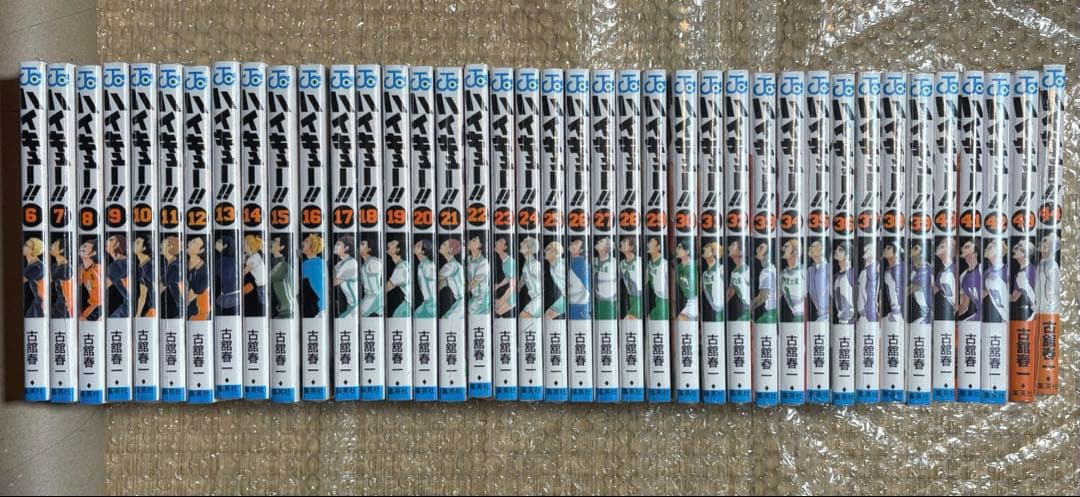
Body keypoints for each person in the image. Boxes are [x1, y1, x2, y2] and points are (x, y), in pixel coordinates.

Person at [300, 234, 326, 318]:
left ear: (312, 247)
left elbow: (302, 284)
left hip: (314, 307)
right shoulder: (322, 262)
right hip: (322, 305)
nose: (302, 243)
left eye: (306, 241)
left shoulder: (306, 264)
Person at [438, 238, 465, 318]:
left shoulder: (451, 265)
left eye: (444, 245)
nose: (441, 246)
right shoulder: (454, 264)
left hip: (461, 302)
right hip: (460, 301)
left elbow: (436, 279)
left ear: (450, 250)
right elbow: (442, 283)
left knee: (446, 319)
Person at [333, 235, 359, 318]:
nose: (335, 246)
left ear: (346, 248)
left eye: (338, 244)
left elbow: (333, 282)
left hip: (355, 307)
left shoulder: (351, 263)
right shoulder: (341, 263)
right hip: (351, 306)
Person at [982, 240, 1008, 323]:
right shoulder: (986, 273)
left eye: (990, 248)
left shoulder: (1008, 270)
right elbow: (983, 293)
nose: (986, 249)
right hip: (1000, 316)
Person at [269, 236, 294, 319]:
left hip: (286, 308)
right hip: (281, 307)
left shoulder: (282, 264)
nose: (271, 243)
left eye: (275, 242)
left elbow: (268, 278)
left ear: (281, 247)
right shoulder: (274, 262)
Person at [907, 243, 933, 324]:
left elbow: (911, 289)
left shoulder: (926, 268)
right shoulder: (912, 267)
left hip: (928, 311)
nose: (911, 250)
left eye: (915, 248)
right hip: (920, 310)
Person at [751, 240, 777, 323]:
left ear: (767, 254)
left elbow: (762, 297)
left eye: (761, 248)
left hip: (770, 313)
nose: (757, 249)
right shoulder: (772, 268)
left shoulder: (766, 272)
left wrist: (746, 308)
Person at [956, 240, 981, 322]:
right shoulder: (963, 277)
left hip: (991, 315)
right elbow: (964, 306)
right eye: (962, 247)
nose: (962, 249)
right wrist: (950, 317)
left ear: (975, 253)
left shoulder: (982, 269)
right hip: (979, 315)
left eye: (967, 247)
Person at [385, 239, 411, 317]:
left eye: (392, 243)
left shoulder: (401, 268)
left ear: (398, 249)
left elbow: (386, 288)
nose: (388, 243)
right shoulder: (404, 264)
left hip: (409, 304)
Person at [592, 237, 618, 320]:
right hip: (595, 301)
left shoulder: (615, 263)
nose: (598, 241)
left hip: (608, 303)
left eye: (601, 241)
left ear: (607, 247)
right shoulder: (592, 261)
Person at [186, 236, 210, 320]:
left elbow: (188, 299)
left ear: (201, 250)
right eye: (191, 240)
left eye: (193, 242)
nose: (189, 242)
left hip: (193, 315)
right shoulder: (184, 263)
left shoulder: (204, 272)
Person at [517, 237, 542, 319]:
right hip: (534, 298)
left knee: (523, 316)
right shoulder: (526, 264)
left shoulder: (535, 265)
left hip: (539, 299)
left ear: (529, 249)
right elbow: (522, 281)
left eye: (524, 243)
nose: (521, 243)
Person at [105, 234, 130, 318]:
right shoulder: (126, 261)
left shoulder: (117, 265)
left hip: (129, 307)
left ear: (118, 244)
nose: (106, 241)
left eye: (111, 239)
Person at [780, 239, 804, 322]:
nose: (782, 248)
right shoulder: (782, 273)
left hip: (804, 316)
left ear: (795, 251)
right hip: (795, 316)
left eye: (786, 246)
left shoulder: (803, 271)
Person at [1035, 234, 1060, 316]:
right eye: (1042, 243)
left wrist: (1049, 308)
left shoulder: (1052, 266)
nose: (1042, 247)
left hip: (1047, 311)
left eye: (1046, 245)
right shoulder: (1041, 264)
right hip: (1039, 308)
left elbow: (1053, 290)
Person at [1011, 240, 1036, 320]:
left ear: (1024, 253)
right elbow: (1014, 297)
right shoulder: (1019, 275)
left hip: (1036, 313)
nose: (1013, 250)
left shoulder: (1033, 271)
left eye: (1016, 248)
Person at [214, 235, 239, 315]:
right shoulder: (233, 260)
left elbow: (211, 273)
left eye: (219, 242)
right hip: (235, 296)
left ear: (225, 246)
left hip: (227, 298)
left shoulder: (222, 260)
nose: (216, 243)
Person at [466, 235, 491, 315]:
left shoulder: (484, 263)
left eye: (473, 240)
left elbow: (472, 284)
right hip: (474, 297)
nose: (469, 242)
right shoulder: (468, 259)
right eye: (469, 240)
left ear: (480, 245)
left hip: (482, 299)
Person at [645, 238, 669, 321]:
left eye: (651, 243)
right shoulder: (650, 263)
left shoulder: (664, 264)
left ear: (658, 247)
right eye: (648, 242)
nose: (648, 245)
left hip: (665, 302)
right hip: (658, 299)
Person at [50, 237, 74, 319]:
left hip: (65, 309)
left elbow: (45, 281)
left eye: (55, 245)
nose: (51, 245)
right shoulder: (55, 266)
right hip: (58, 304)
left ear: (61, 250)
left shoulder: (65, 268)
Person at [242, 234, 266, 316]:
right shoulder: (251, 255)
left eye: (244, 244)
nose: (242, 245)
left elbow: (244, 272)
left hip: (262, 287)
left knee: (263, 307)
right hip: (260, 286)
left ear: (250, 245)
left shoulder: (255, 257)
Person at [726, 239, 750, 321]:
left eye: (733, 245)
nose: (729, 247)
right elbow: (730, 293)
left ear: (741, 251)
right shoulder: (734, 272)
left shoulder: (747, 270)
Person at [160, 235, 183, 319]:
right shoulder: (171, 263)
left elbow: (160, 288)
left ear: (170, 247)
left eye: (163, 243)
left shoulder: (174, 266)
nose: (160, 245)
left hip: (180, 309)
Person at [619, 236, 642, 319]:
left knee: (629, 319)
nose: (621, 243)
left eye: (624, 242)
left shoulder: (640, 261)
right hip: (631, 298)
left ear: (631, 247)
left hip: (640, 297)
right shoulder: (622, 263)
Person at [933, 238, 956, 320]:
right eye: (938, 246)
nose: (937, 248)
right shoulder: (941, 273)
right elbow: (933, 291)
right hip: (945, 313)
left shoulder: (955, 270)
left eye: (942, 246)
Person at [359, 238, 383, 317]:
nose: (359, 246)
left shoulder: (372, 262)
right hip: (369, 296)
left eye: (362, 244)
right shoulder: (364, 265)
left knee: (358, 314)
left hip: (374, 296)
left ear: (368, 249)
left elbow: (381, 268)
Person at [701, 241, 725, 321]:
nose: (703, 249)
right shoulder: (705, 273)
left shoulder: (721, 269)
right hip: (714, 309)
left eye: (707, 248)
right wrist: (712, 304)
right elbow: (706, 290)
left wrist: (722, 304)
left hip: (722, 309)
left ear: (713, 253)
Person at [79, 239, 102, 321]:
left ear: (93, 253)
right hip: (92, 305)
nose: (82, 247)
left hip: (100, 305)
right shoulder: (81, 270)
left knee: (82, 320)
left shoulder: (98, 268)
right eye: (82, 245)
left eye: (85, 246)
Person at [806, 239, 830, 322]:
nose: (810, 248)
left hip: (830, 316)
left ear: (820, 249)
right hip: (820, 316)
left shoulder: (829, 268)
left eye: (813, 246)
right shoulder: (810, 271)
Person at [567, 239, 590, 320]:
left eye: (576, 243)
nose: (572, 243)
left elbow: (587, 286)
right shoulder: (572, 262)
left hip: (579, 305)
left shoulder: (581, 263)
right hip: (574, 303)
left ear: (580, 250)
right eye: (572, 242)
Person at [412, 239, 436, 318]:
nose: (414, 246)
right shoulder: (422, 264)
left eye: (418, 246)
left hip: (432, 304)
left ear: (423, 251)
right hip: (427, 303)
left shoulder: (428, 265)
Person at [492, 236, 516, 317]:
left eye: (500, 241)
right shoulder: (505, 261)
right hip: (511, 292)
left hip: (513, 294)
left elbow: (513, 285)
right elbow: (509, 277)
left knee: (497, 310)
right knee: (497, 310)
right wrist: (499, 285)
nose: (496, 242)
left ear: (505, 247)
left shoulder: (509, 262)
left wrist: (502, 299)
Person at [674, 240, 697, 321]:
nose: (676, 249)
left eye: (679, 247)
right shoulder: (677, 268)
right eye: (677, 247)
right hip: (689, 300)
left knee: (680, 319)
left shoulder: (695, 266)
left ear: (687, 252)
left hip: (696, 300)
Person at [832, 241, 855, 324]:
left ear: (848, 254)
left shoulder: (852, 274)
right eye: (837, 249)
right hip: (840, 321)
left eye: (840, 250)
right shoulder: (836, 276)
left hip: (850, 321)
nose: (836, 251)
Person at [134, 235, 156, 318]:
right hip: (152, 308)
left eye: (137, 242)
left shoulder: (151, 265)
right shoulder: (141, 267)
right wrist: (138, 314)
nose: (133, 243)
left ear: (144, 248)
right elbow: (143, 295)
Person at [544, 240, 566, 319]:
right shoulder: (552, 266)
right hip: (565, 297)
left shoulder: (560, 265)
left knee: (547, 316)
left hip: (573, 298)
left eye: (547, 249)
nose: (544, 251)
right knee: (547, 316)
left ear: (555, 252)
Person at [881, 242, 903, 323]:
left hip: (900, 312)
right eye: (885, 248)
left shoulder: (900, 268)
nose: (885, 250)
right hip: (893, 310)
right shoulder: (887, 269)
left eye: (888, 248)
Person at [857, 242, 879, 323]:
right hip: (865, 308)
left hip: (868, 309)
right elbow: (862, 289)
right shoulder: (865, 272)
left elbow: (873, 290)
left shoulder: (871, 270)